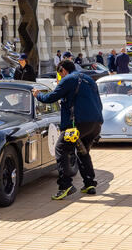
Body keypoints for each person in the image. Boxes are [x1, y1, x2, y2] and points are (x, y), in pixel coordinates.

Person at [33, 59, 103, 200]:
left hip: (77, 124)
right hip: (96, 123)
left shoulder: (68, 79)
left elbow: (50, 97)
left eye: (60, 74)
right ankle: (89, 183)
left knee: (60, 148)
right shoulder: (89, 79)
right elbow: (99, 102)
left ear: (63, 70)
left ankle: (65, 185)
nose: (60, 77)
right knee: (83, 151)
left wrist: (37, 94)